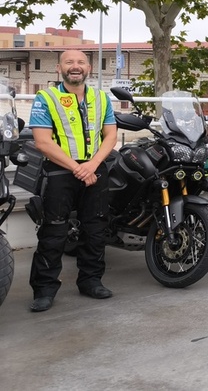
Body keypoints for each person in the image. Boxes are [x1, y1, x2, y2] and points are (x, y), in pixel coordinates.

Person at [27, 50, 117, 312]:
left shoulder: (101, 98)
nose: (75, 67)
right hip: (60, 171)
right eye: (69, 62)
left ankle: (91, 281)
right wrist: (77, 168)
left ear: (89, 68)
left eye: (80, 62)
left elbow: (110, 136)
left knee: (96, 228)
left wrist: (91, 165)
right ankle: (44, 289)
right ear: (59, 68)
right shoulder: (46, 98)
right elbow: (42, 141)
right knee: (54, 231)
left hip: (95, 168)